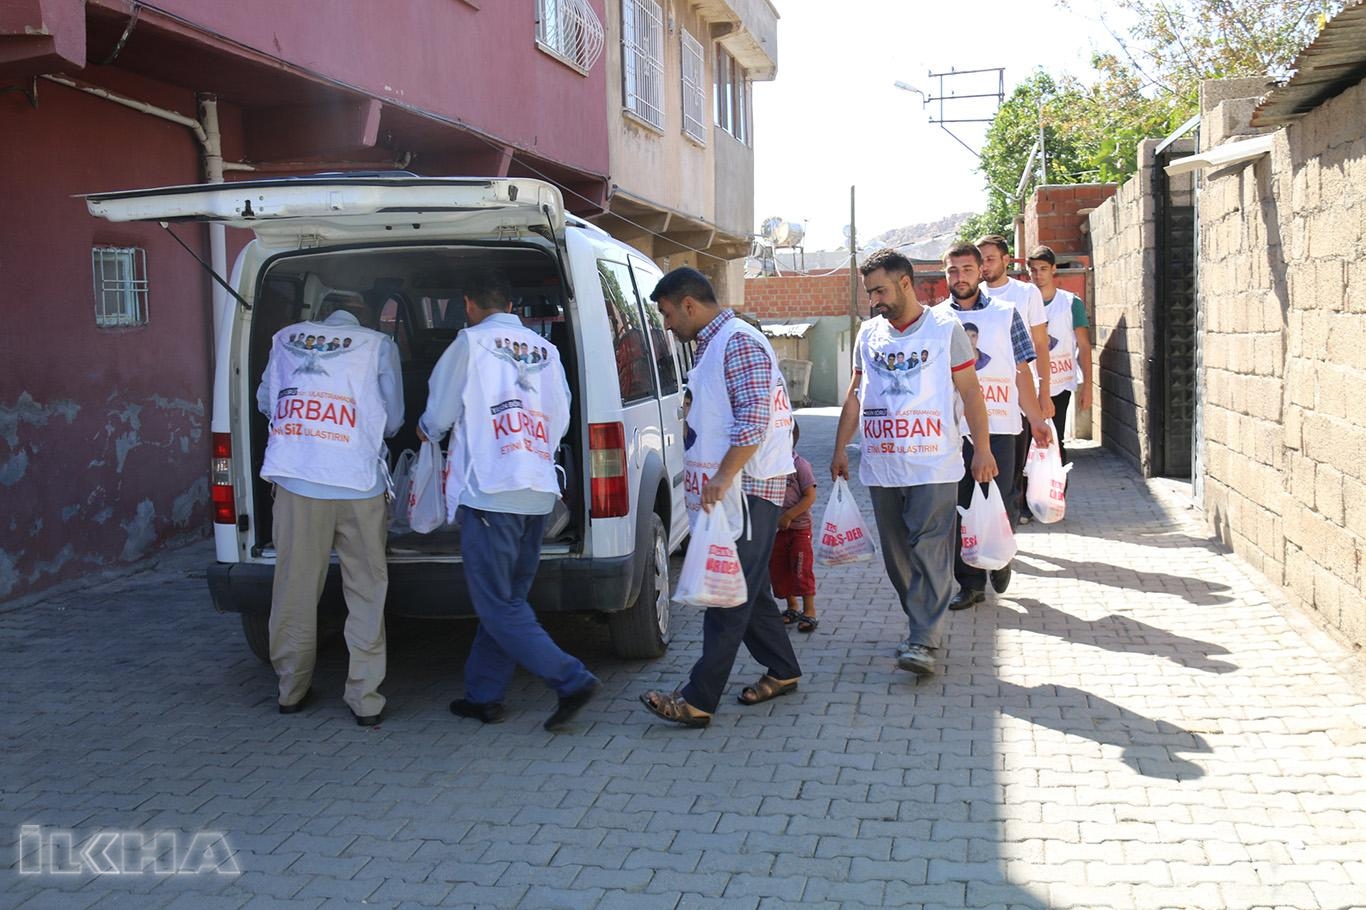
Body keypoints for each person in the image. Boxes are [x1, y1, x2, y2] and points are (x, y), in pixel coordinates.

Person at [418, 269, 600, 731]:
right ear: (512, 306)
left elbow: (439, 411)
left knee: (498, 605)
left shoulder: (469, 343)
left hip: (491, 491)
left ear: (469, 303)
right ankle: (484, 695)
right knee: (509, 600)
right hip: (536, 488)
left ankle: (571, 678)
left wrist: (429, 431)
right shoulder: (547, 350)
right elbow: (561, 415)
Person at [639, 267, 802, 727]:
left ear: (689, 304)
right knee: (748, 589)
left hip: (747, 489)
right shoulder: (715, 343)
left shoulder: (738, 341)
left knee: (727, 594)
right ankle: (784, 670)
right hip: (733, 491)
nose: (668, 324)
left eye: (669, 314)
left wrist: (723, 477)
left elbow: (755, 421)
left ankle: (698, 698)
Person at [831, 248, 996, 677]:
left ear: (906, 282)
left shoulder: (946, 328)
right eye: (870, 293)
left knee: (930, 548)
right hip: (884, 465)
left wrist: (982, 448)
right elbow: (854, 394)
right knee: (897, 555)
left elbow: (972, 392)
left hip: (934, 463)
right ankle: (920, 623)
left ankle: (924, 637)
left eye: (881, 290)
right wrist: (839, 449)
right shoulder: (869, 334)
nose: (875, 300)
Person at [256, 292, 403, 726]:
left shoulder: (285, 339)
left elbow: (267, 402)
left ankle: (290, 689)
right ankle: (365, 698)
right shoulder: (378, 345)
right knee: (365, 591)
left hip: (298, 480)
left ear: (320, 316)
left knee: (295, 589)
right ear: (362, 317)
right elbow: (393, 420)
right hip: (359, 484)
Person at [939, 243, 1052, 611]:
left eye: (967, 269)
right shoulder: (936, 320)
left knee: (1001, 499)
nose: (960, 277)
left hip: (1002, 425)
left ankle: (1001, 556)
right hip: (955, 431)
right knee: (962, 505)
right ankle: (969, 583)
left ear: (980, 271)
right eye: (953, 271)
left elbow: (1022, 371)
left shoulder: (1007, 314)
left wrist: (1036, 418)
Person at [976, 234, 1051, 523]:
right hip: (980, 397)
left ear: (1007, 260)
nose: (984, 266)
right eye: (980, 260)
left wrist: (1044, 392)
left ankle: (1013, 513)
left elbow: (1040, 343)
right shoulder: (972, 294)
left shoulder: (1025, 294)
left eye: (991, 259)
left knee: (1016, 459)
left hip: (1018, 392)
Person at [1026, 245, 1093, 466]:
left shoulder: (1070, 303)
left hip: (1060, 383)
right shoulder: (1022, 302)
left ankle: (1057, 493)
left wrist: (1088, 388)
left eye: (1043, 268)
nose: (1038, 275)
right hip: (1029, 384)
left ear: (1054, 269)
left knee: (1056, 440)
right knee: (1028, 443)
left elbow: (1084, 346)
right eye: (1033, 270)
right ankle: (1031, 495)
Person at [772, 421, 819, 633]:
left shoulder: (800, 466)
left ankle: (810, 611)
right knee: (779, 569)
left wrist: (790, 515)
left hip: (799, 529)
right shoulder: (770, 465)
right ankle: (792, 606)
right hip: (777, 531)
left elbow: (810, 497)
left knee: (801, 569)